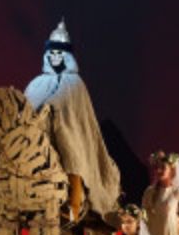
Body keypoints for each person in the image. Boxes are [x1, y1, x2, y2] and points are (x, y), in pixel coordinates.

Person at [24, 19, 120, 221]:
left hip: (67, 128)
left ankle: (74, 205)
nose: (55, 57)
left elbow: (68, 107)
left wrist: (50, 110)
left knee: (72, 154)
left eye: (59, 53)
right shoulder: (36, 83)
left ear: (66, 56)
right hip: (38, 131)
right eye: (52, 53)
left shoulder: (74, 82)